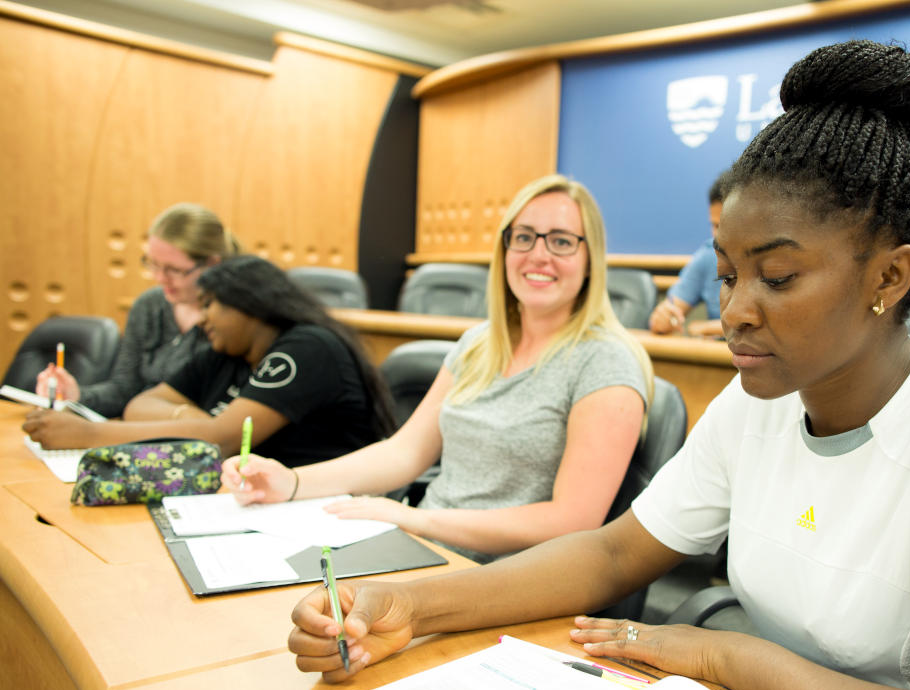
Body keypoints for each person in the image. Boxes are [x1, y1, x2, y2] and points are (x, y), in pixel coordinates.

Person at [286, 42, 910, 690]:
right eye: (727, 274)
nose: (734, 312)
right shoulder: (760, 405)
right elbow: (613, 551)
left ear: (889, 276)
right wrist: (415, 609)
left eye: (777, 277)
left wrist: (727, 655)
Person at [222, 175, 652, 562]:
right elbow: (404, 453)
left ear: (590, 257)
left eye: (561, 241)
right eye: (524, 237)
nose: (538, 255)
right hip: (424, 550)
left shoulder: (607, 361)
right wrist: (290, 482)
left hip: (502, 578)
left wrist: (416, 520)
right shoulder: (478, 345)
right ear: (505, 249)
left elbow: (571, 522)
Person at [23, 255, 395, 467]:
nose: (202, 319)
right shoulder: (226, 353)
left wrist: (91, 435)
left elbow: (225, 440)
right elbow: (141, 404)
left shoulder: (308, 347)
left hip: (320, 509)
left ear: (249, 303)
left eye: (209, 305)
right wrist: (194, 420)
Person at [34, 203, 240, 417]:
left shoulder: (234, 319)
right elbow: (123, 390)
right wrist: (75, 397)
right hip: (138, 430)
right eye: (153, 264)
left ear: (212, 263)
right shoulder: (149, 305)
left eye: (174, 270)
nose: (160, 278)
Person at [649, 171, 728, 337]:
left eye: (726, 226)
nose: (718, 237)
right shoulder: (708, 256)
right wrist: (664, 318)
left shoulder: (773, 262)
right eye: (715, 226)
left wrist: (707, 328)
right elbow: (666, 315)